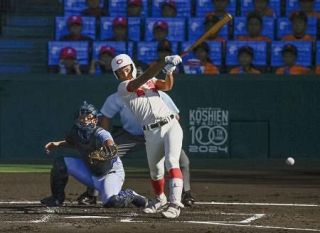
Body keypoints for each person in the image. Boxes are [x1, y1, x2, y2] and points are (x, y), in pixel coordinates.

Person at [77, 91, 195, 207]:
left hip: (158, 134)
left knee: (182, 161)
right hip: (130, 136)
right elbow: (106, 117)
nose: (137, 82)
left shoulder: (159, 94)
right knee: (103, 156)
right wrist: (104, 139)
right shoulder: (120, 95)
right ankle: (92, 194)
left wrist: (171, 137)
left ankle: (186, 193)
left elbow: (175, 116)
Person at [110, 53, 183, 218]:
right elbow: (144, 78)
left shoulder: (149, 80)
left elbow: (167, 86)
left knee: (172, 162)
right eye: (120, 72)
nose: (124, 72)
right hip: (150, 132)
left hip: (170, 124)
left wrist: (169, 71)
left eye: (125, 68)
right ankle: (160, 199)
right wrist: (164, 61)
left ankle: (175, 204)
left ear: (132, 66)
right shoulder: (123, 87)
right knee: (155, 172)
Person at [40, 101, 148, 209]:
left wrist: (101, 154)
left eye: (88, 118)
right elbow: (74, 143)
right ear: (77, 119)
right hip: (91, 172)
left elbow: (112, 148)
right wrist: (57, 144)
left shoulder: (101, 133)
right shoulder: (76, 132)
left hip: (110, 173)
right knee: (60, 163)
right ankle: (57, 198)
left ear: (95, 120)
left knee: (111, 202)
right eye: (82, 117)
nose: (85, 121)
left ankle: (131, 194)